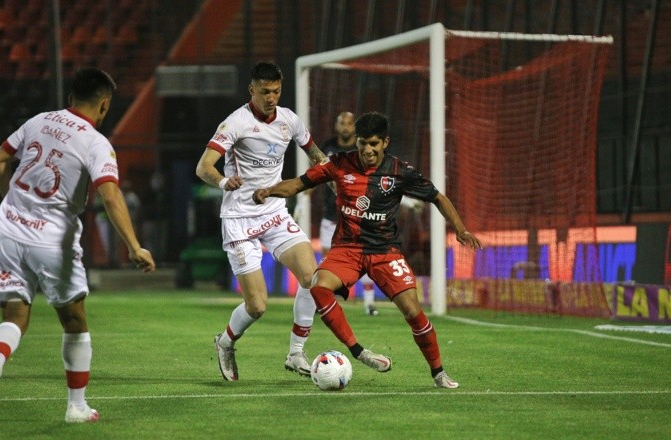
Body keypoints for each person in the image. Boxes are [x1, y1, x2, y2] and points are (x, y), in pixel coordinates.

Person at [0, 68, 155, 422]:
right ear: (104, 106)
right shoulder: (96, 143)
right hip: (52, 241)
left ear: (70, 99)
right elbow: (111, 196)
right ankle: (77, 406)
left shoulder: (38, 121)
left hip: (9, 232)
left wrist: (15, 201)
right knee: (74, 322)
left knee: (15, 316)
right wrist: (133, 245)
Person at [253, 111, 482, 388]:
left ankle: (438, 373)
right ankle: (358, 352)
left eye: (374, 143)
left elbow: (437, 197)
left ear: (385, 142)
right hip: (347, 248)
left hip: (385, 252)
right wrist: (269, 190)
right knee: (318, 285)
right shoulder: (339, 163)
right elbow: (299, 184)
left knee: (412, 310)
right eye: (363, 143)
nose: (367, 149)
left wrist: (460, 229)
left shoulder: (399, 171)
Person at [196, 61, 332, 381]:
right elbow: (204, 167)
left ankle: (296, 353)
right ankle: (225, 342)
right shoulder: (235, 124)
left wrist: (333, 174)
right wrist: (221, 182)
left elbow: (317, 155)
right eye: (265, 92)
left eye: (276, 91)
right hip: (239, 219)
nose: (271, 98)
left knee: (313, 279)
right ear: (251, 90)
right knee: (257, 306)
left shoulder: (289, 120)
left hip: (273, 212)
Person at [319, 111, 379, 316]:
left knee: (363, 256)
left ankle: (369, 303)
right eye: (342, 123)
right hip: (330, 212)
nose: (345, 127)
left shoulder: (362, 148)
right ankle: (328, 301)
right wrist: (303, 197)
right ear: (337, 126)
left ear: (354, 127)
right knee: (328, 259)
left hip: (356, 213)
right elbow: (316, 174)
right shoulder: (327, 147)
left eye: (349, 123)